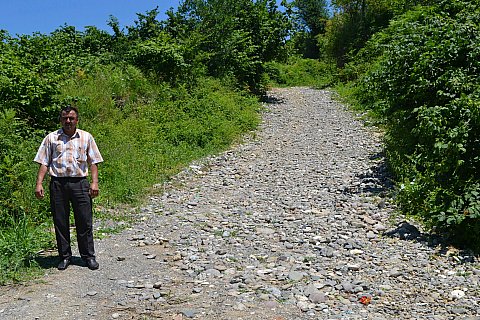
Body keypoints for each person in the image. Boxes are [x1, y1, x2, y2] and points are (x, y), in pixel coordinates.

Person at [34, 106, 103, 270]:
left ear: (77, 120)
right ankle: (65, 256)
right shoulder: (51, 138)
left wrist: (94, 183)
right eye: (65, 118)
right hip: (58, 184)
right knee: (60, 221)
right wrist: (39, 183)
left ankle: (88, 257)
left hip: (80, 183)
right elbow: (44, 162)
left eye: (71, 118)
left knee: (84, 221)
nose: (68, 121)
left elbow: (93, 162)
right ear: (61, 120)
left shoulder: (86, 137)